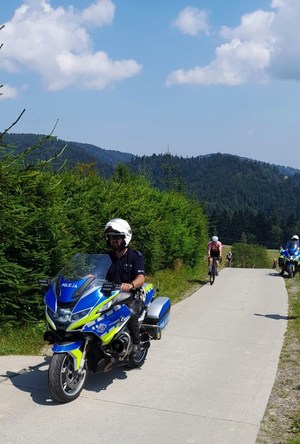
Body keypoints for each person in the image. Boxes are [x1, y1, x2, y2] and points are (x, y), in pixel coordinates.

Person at [104, 218, 145, 358]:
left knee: (130, 311)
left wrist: (131, 285)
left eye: (117, 237)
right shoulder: (107, 257)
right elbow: (98, 271)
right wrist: (89, 277)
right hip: (109, 296)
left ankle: (137, 344)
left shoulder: (135, 256)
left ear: (125, 237)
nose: (113, 240)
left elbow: (141, 278)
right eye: (110, 238)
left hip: (130, 296)